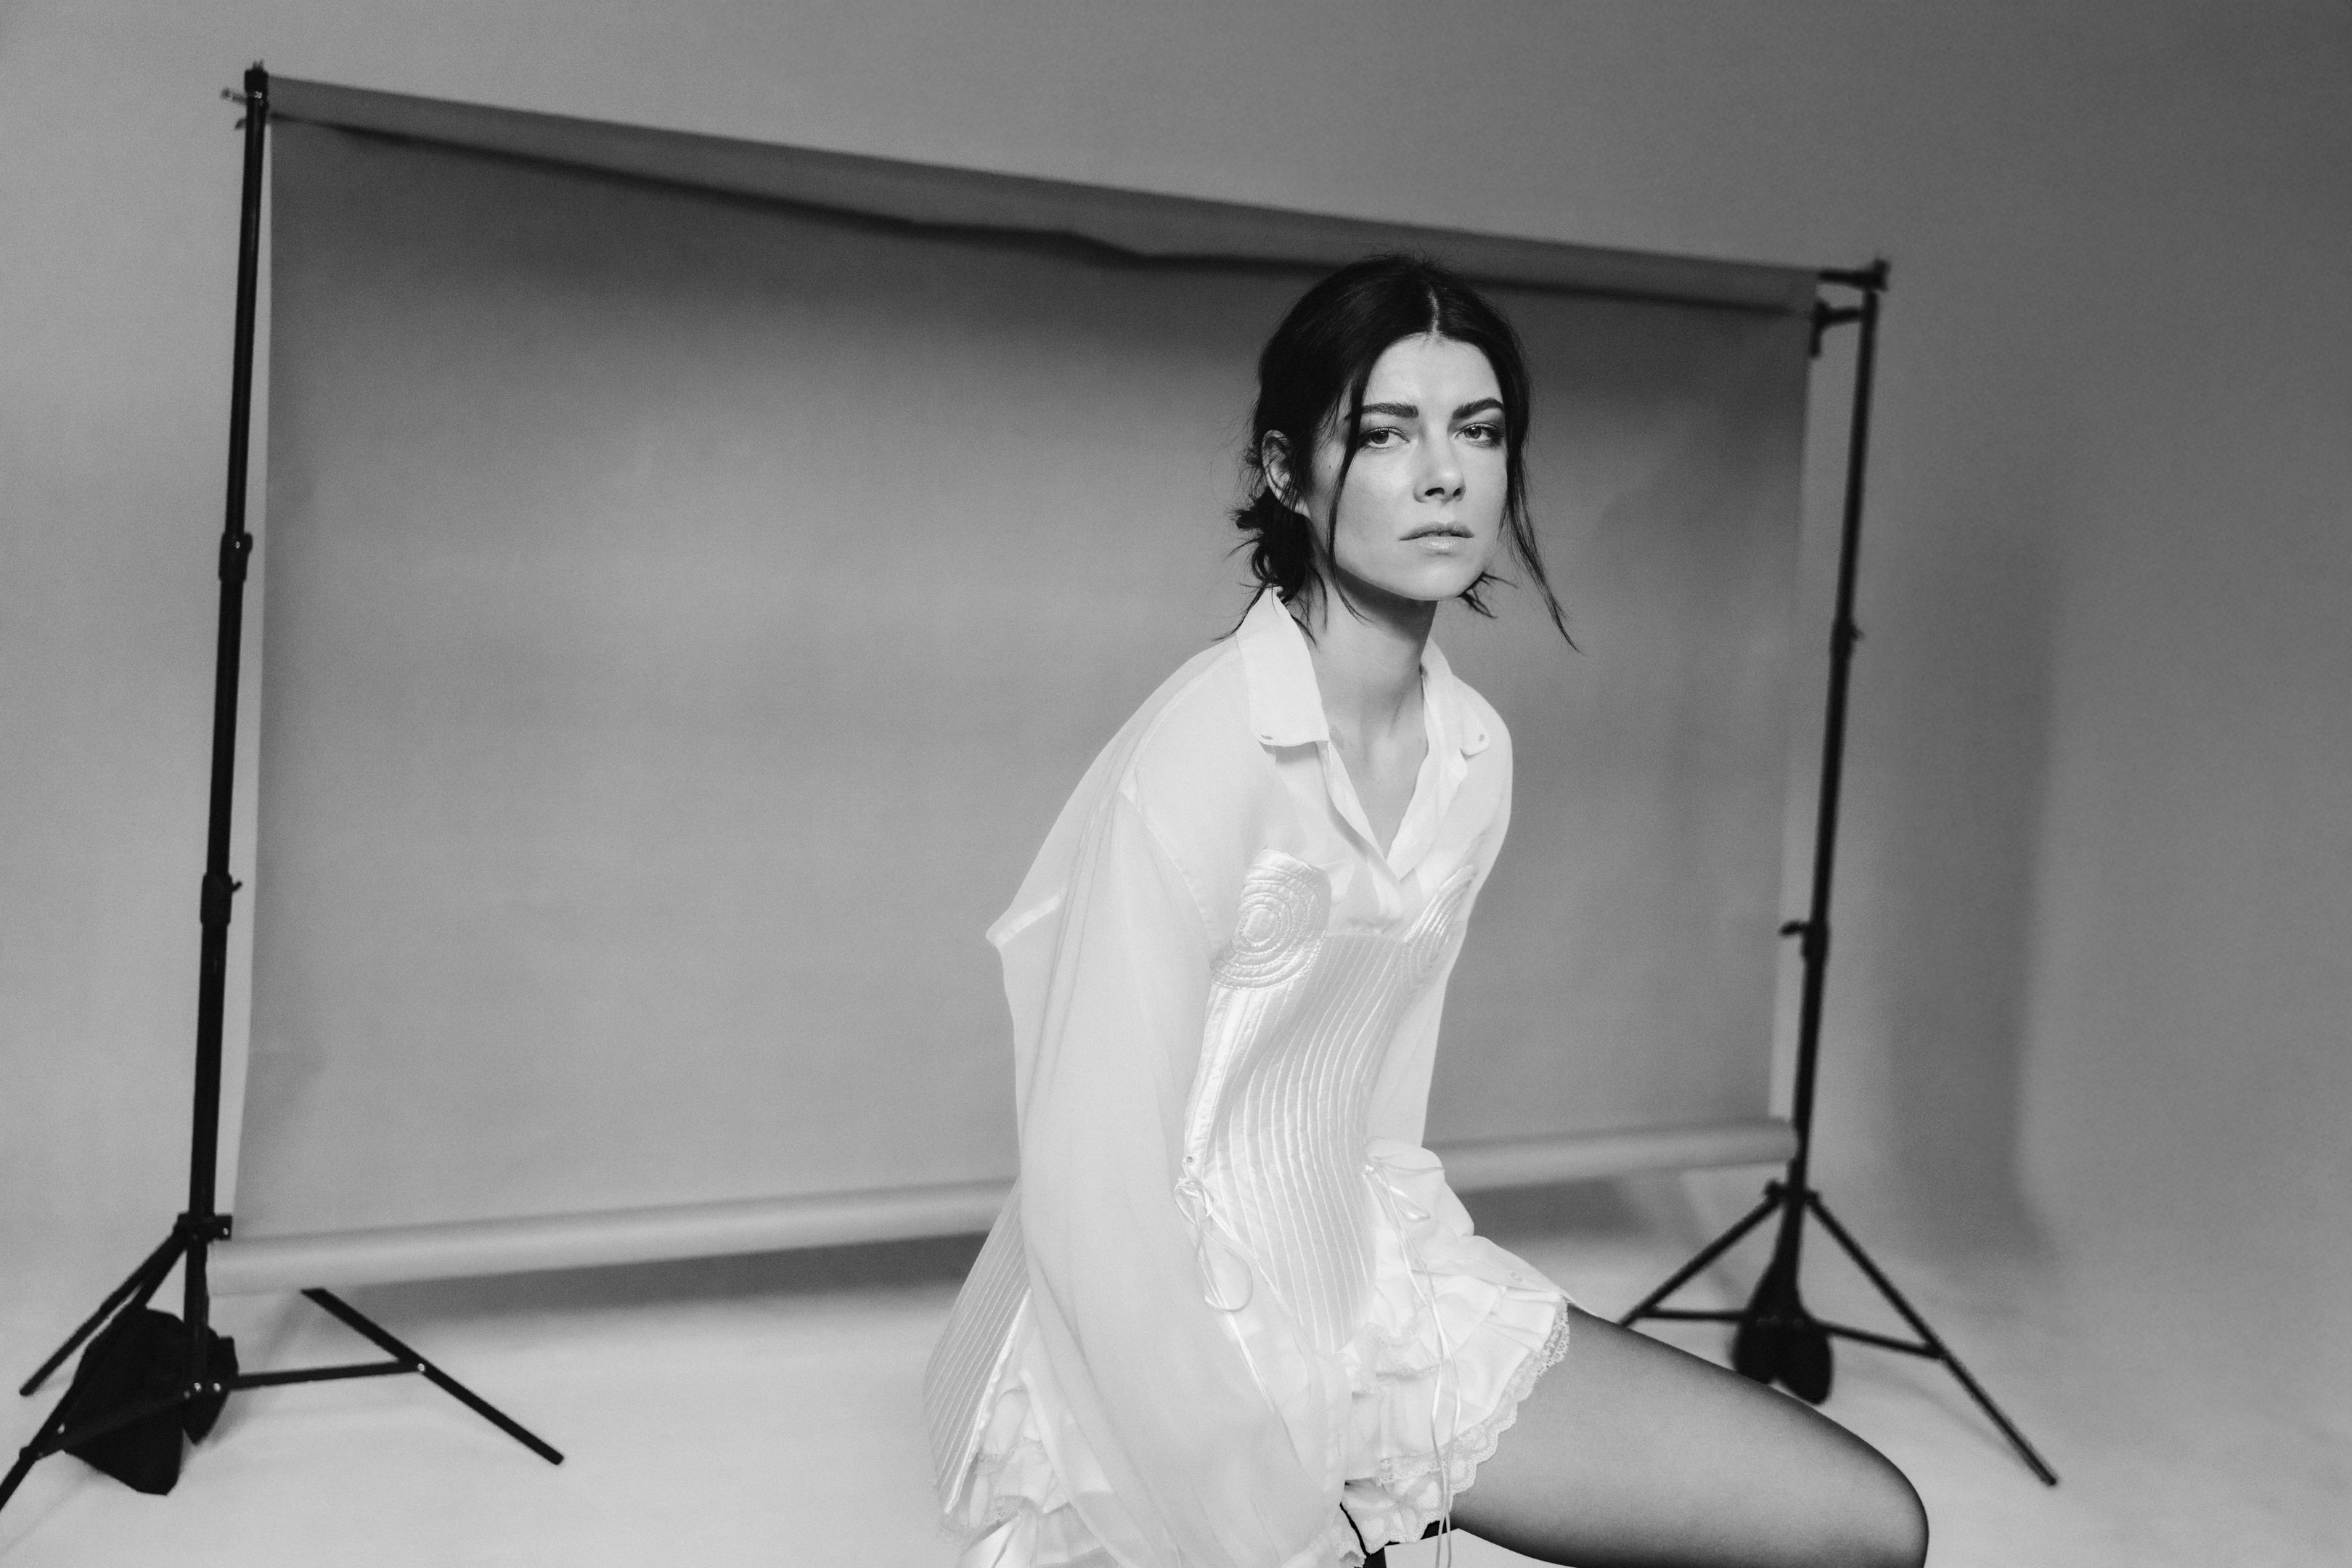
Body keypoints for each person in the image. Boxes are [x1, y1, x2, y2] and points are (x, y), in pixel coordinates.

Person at [922, 255, 1928, 1568]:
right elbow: (1092, 1198)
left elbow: (1381, 1119)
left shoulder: (1474, 754)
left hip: (1364, 1296)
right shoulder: (1203, 754)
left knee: (1862, 1530)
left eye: (1481, 431)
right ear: (1287, 474)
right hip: (1146, 1343)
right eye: (1387, 433)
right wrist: (1272, 1508)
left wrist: (1415, 1343)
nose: (1446, 474)